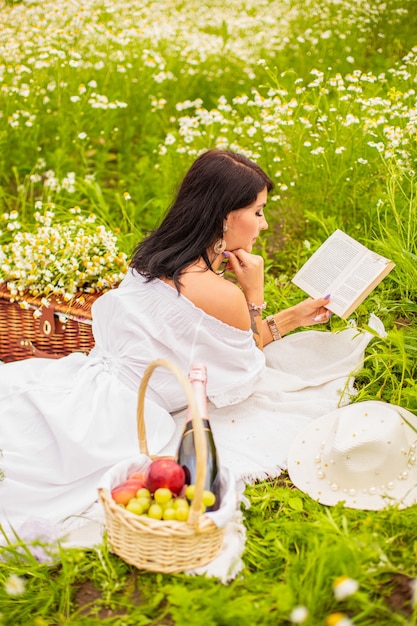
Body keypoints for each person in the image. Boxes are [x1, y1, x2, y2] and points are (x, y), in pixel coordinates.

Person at [0, 149, 376, 537]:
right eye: (259, 211)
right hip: (123, 417)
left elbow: (213, 340)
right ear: (227, 216)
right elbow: (243, 377)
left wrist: (294, 317)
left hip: (85, 382)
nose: (264, 224)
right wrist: (254, 293)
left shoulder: (154, 255)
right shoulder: (220, 293)